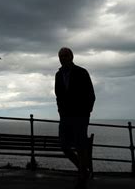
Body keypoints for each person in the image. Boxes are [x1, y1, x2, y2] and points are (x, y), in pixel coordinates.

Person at [55, 47, 95, 189]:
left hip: (80, 117)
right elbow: (58, 96)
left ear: (72, 57)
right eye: (61, 56)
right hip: (65, 117)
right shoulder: (58, 75)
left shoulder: (81, 72)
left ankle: (82, 175)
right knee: (64, 145)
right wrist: (60, 111)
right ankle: (83, 169)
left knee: (80, 146)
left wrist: (86, 113)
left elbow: (91, 94)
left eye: (66, 55)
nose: (63, 58)